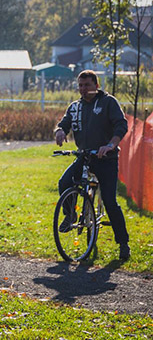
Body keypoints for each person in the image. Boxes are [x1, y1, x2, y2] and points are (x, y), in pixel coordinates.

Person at [54, 70, 130, 260]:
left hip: (106, 159)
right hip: (85, 156)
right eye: (80, 85)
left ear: (96, 85)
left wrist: (111, 145)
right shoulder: (75, 107)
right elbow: (64, 123)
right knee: (64, 183)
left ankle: (123, 244)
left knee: (110, 202)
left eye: (87, 85)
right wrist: (60, 131)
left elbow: (121, 125)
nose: (83, 89)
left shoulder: (108, 102)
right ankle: (70, 214)